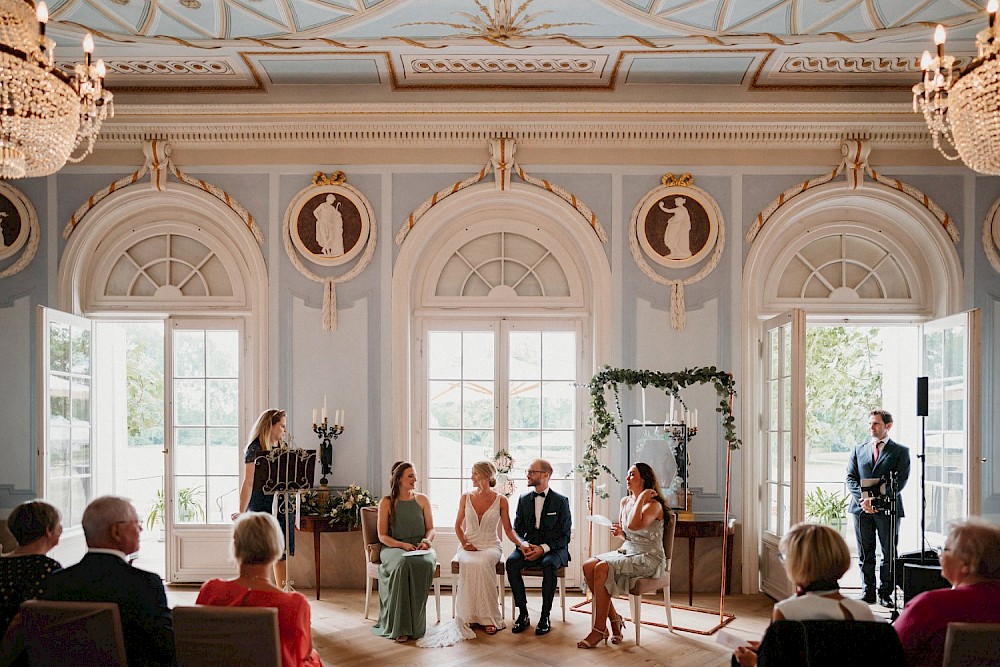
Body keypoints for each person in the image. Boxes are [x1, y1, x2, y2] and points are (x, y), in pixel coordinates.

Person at [40, 495, 174, 667]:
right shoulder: (145, 584)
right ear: (116, 531)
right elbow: (164, 650)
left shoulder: (56, 582)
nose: (140, 528)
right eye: (135, 522)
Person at [733, 522, 875, 667]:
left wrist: (752, 663)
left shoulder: (787, 611)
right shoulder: (862, 611)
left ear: (797, 564)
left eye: (784, 558)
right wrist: (766, 648)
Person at [417, 461, 520, 647]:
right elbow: (457, 526)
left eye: (475, 474)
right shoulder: (465, 497)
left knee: (482, 563)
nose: (471, 477)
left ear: (485, 476)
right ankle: (469, 615)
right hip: (468, 545)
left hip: (490, 546)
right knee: (470, 563)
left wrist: (522, 544)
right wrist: (465, 543)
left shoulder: (501, 500)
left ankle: (489, 617)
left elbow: (509, 529)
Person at [197, 512, 321, 667]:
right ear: (276, 549)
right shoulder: (295, 605)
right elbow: (303, 654)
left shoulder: (211, 590)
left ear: (235, 548)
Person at [578, 463, 668, 648]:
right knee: (588, 565)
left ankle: (598, 629)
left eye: (632, 475)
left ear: (644, 479)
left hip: (648, 557)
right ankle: (614, 620)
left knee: (602, 567)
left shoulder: (654, 505)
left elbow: (635, 525)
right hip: (628, 550)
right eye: (627, 474)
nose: (627, 478)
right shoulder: (625, 502)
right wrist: (620, 534)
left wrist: (642, 496)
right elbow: (629, 533)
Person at [893, 518, 1000, 667]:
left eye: (945, 550)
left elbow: (888, 654)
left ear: (966, 564)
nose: (940, 555)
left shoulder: (931, 606)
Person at [846, 409, 910, 606]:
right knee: (866, 551)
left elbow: (899, 482)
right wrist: (864, 501)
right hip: (861, 509)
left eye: (875, 424)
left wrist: (874, 500)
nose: (871, 427)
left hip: (888, 509)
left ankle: (885, 593)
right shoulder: (859, 449)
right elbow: (851, 478)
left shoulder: (900, 451)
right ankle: (868, 591)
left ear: (887, 426)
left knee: (888, 551)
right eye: (870, 424)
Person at [371, 461, 437, 643]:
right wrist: (402, 545)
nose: (415, 479)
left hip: (421, 547)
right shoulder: (387, 502)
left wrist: (425, 542)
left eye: (414, 475)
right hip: (393, 547)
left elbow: (431, 529)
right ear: (399, 479)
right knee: (402, 563)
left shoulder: (422, 499)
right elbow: (382, 536)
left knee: (423, 562)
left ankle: (415, 624)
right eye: (410, 476)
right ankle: (400, 626)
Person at [506, 458, 572, 637]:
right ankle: (523, 613)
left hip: (554, 549)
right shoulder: (523, 499)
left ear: (545, 475)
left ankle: (545, 616)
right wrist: (523, 545)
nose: (527, 475)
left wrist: (543, 548)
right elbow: (517, 530)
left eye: (531, 472)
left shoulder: (561, 501)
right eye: (528, 472)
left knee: (549, 565)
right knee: (511, 563)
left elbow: (565, 536)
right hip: (528, 546)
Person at [235, 408, 293, 588]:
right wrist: (241, 512)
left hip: (282, 504)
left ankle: (282, 591)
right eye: (281, 426)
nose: (284, 430)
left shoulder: (283, 448)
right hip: (262, 504)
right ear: (270, 426)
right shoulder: (255, 449)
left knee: (281, 550)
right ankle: (258, 588)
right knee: (260, 550)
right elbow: (249, 483)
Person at [0, 501, 62, 664]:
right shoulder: (47, 568)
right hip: (21, 656)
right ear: (48, 531)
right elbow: (23, 621)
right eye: (58, 525)